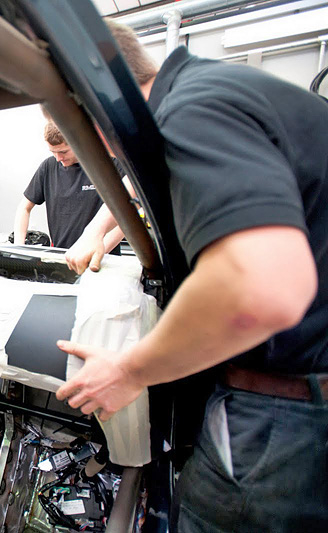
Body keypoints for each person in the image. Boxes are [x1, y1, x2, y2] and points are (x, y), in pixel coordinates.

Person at [57, 21, 328, 532]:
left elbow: (264, 284)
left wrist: (130, 371)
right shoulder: (217, 92)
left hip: (281, 417)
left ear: (90, 103)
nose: (105, 152)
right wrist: (96, 232)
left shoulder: (191, 111)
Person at [13, 121, 122, 253]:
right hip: (61, 257)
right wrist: (18, 247)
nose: (58, 158)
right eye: (53, 152)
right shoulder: (48, 167)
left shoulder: (110, 165)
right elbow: (24, 208)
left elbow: (128, 219)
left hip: (102, 257)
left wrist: (99, 251)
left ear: (78, 142)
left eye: (63, 152)